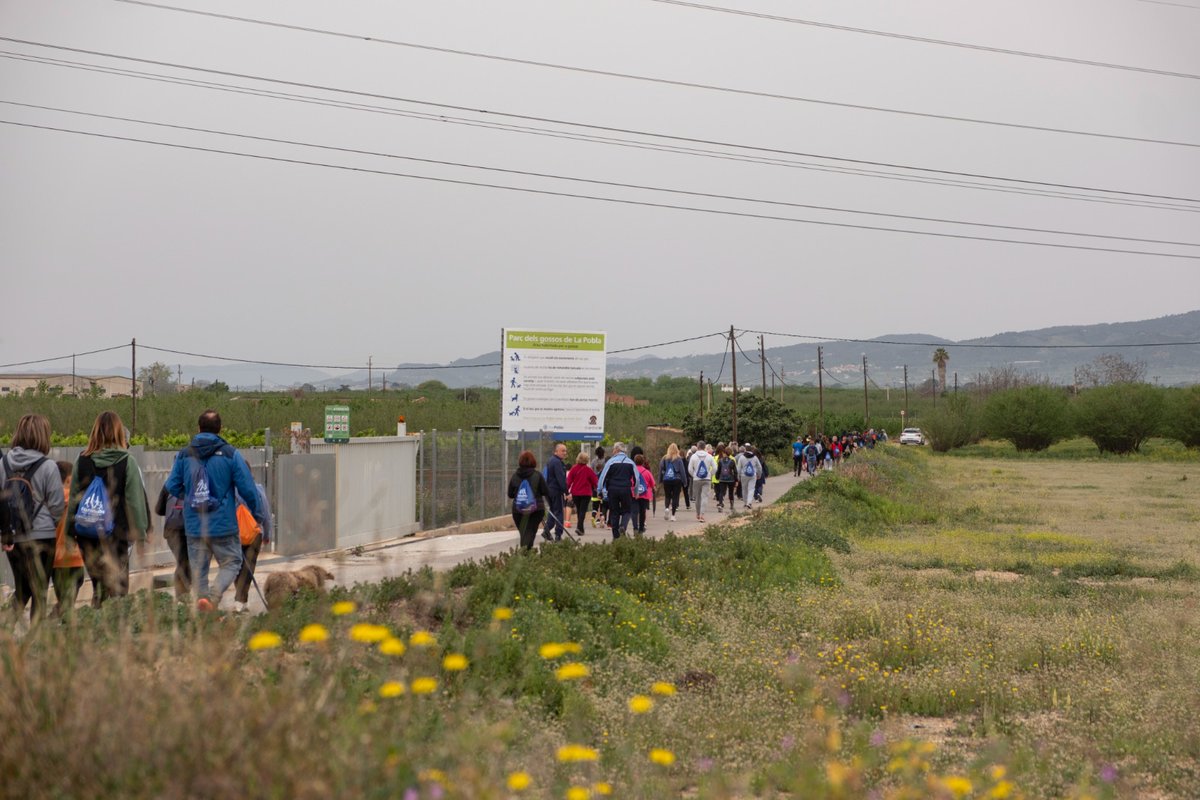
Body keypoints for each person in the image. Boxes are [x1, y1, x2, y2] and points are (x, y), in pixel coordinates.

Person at [164, 409, 260, 611]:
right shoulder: (230, 454)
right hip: (223, 524)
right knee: (232, 561)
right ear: (220, 429)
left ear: (198, 429)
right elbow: (248, 489)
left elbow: (172, 486)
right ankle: (213, 597)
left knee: (199, 572)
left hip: (195, 525)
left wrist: (190, 494)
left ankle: (203, 610)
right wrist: (257, 514)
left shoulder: (184, 454)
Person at [67, 411, 149, 606]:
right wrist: (141, 537)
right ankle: (116, 630)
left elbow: (73, 500)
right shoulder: (127, 462)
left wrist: (69, 535)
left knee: (99, 587)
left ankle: (97, 626)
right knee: (119, 589)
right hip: (117, 535)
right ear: (119, 433)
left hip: (87, 535)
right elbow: (135, 503)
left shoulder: (82, 460)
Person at [1, 413, 65, 622]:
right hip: (43, 536)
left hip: (13, 536)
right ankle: (37, 641)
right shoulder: (48, 467)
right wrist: (47, 524)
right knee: (39, 591)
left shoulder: (3, 464)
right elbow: (56, 506)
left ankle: (5, 632)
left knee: (21, 590)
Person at [51, 461, 84, 617]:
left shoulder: (51, 501)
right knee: (69, 600)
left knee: (63, 598)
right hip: (75, 556)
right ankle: (55, 620)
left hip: (56, 560)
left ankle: (57, 620)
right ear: (69, 479)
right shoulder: (76, 499)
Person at [233, 482, 272, 613]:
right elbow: (266, 514)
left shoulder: (232, 490)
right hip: (255, 534)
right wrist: (267, 534)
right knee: (248, 568)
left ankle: (240, 601)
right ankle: (241, 600)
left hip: (236, 534)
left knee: (236, 567)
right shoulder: (258, 490)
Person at [507, 450, 549, 550]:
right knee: (530, 532)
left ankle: (525, 553)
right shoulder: (537, 475)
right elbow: (545, 491)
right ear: (533, 461)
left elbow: (510, 494)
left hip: (518, 510)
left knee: (524, 533)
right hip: (536, 510)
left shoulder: (515, 476)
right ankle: (526, 554)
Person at [154, 485, 190, 599]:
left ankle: (183, 597)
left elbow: (158, 510)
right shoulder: (194, 480)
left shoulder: (169, 484)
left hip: (171, 531)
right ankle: (183, 597)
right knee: (185, 563)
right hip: (189, 531)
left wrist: (173, 510)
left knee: (182, 562)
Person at [596, 442, 637, 539]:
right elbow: (637, 478)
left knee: (614, 512)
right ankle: (623, 525)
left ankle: (616, 536)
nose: (613, 451)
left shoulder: (611, 462)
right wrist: (635, 491)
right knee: (627, 510)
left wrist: (599, 490)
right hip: (625, 489)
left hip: (613, 489)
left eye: (614, 449)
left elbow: (603, 477)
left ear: (617, 450)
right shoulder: (630, 462)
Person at [541, 443, 569, 541]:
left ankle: (546, 531)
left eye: (565, 451)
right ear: (556, 451)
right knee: (559, 512)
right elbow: (561, 479)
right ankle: (558, 534)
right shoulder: (557, 462)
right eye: (562, 451)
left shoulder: (550, 461)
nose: (564, 453)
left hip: (548, 491)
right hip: (556, 491)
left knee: (553, 511)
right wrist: (567, 492)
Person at [566, 452, 598, 537]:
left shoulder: (574, 469)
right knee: (583, 511)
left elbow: (569, 481)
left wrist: (566, 491)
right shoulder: (589, 470)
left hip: (575, 493)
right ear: (587, 460)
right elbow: (595, 481)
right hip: (586, 493)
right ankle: (579, 527)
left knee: (579, 510)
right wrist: (596, 489)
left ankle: (580, 528)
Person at [687, 442, 715, 523]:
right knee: (705, 497)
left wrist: (694, 475)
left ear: (697, 447)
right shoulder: (709, 456)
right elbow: (715, 468)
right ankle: (702, 515)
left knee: (698, 497)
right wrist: (710, 474)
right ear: (704, 447)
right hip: (707, 479)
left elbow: (690, 469)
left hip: (696, 480)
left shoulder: (693, 456)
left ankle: (698, 513)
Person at [658, 443, 685, 522]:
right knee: (675, 497)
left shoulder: (664, 458)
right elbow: (682, 471)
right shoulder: (679, 459)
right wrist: (684, 481)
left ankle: (667, 508)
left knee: (667, 496)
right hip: (677, 480)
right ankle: (673, 515)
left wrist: (660, 479)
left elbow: (661, 470)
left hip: (667, 480)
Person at [633, 454, 656, 535]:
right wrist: (653, 489)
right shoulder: (647, 472)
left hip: (634, 494)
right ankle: (641, 528)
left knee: (634, 512)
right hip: (645, 495)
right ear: (643, 462)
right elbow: (653, 483)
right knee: (642, 512)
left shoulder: (632, 471)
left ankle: (635, 527)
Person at [735, 445, 762, 511]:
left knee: (744, 489)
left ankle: (745, 503)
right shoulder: (755, 457)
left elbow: (738, 468)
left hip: (743, 475)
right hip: (752, 475)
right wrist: (759, 474)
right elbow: (759, 467)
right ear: (751, 450)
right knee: (751, 489)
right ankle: (749, 503)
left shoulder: (741, 457)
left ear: (745, 450)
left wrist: (738, 476)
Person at [713, 445, 736, 511]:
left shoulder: (720, 461)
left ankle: (720, 504)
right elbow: (735, 471)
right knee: (731, 492)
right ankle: (731, 505)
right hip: (731, 479)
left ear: (724, 453)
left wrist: (717, 477)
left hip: (722, 478)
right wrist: (736, 480)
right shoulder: (732, 461)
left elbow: (718, 470)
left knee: (721, 492)